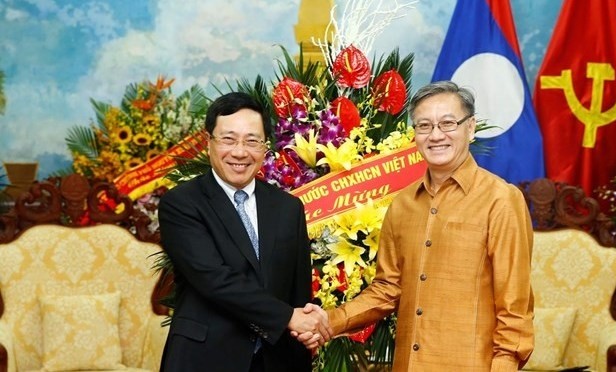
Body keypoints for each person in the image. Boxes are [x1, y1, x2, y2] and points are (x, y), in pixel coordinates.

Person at [299, 81, 534, 370]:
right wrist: (329, 321)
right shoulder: (403, 205)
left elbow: (515, 305)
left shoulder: (501, 200)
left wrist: (505, 364)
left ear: (470, 128)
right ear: (415, 135)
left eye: (448, 124)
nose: (436, 135)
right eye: (424, 126)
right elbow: (387, 289)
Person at [158, 91, 330, 372]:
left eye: (252, 141)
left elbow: (298, 291)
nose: (240, 152)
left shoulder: (288, 207)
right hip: (204, 359)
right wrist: (289, 318)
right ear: (208, 143)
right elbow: (214, 279)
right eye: (228, 139)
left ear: (265, 147)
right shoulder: (182, 203)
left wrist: (306, 327)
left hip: (278, 360)